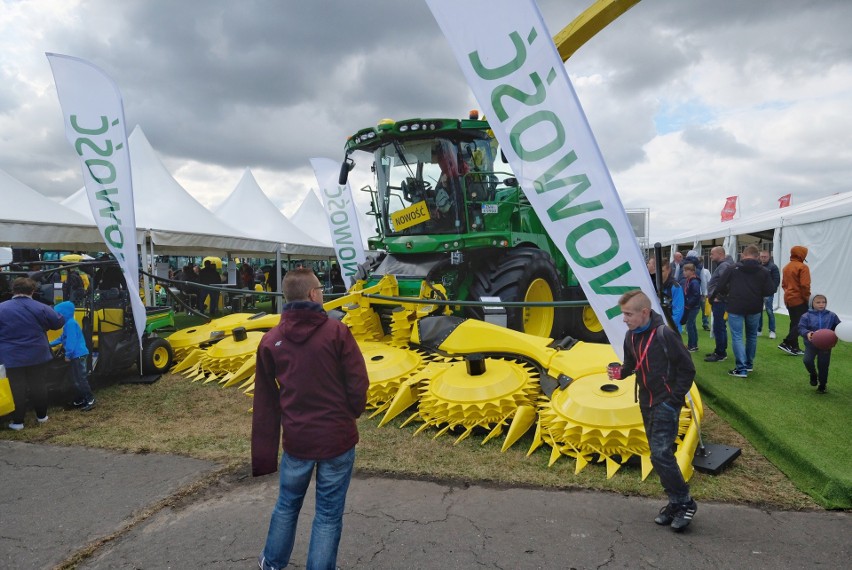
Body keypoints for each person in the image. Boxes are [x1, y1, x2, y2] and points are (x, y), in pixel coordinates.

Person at [252, 268, 369, 569]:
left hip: (297, 440)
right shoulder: (337, 332)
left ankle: (272, 564)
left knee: (287, 506)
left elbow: (266, 401)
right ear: (314, 295)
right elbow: (358, 382)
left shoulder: (270, 340)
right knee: (328, 515)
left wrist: (264, 454)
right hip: (337, 439)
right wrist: (351, 413)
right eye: (320, 288)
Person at [609, 290, 697, 531]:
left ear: (645, 312)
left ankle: (685, 502)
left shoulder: (664, 333)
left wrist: (673, 399)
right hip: (646, 402)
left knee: (660, 454)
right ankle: (675, 503)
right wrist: (620, 372)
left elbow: (688, 369)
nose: (624, 319)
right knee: (658, 455)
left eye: (628, 314)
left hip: (665, 403)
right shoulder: (630, 336)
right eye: (623, 314)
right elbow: (630, 365)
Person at [0, 277, 65, 430]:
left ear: (13, 290)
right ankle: (42, 417)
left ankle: (18, 422)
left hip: (11, 356)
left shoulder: (2, 308)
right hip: (37, 353)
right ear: (33, 291)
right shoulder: (40, 307)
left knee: (17, 387)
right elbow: (58, 322)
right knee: (39, 385)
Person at [711, 245, 776, 378]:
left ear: (743, 255)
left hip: (736, 305)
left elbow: (720, 286)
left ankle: (741, 368)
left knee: (737, 336)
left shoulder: (733, 268)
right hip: (755, 306)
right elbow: (770, 290)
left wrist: (725, 295)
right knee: (751, 335)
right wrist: (757, 293)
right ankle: (748, 364)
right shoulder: (763, 271)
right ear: (757, 256)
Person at [50, 301, 95, 410]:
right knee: (75, 379)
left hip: (78, 355)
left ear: (63, 313)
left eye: (58, 314)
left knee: (80, 379)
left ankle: (90, 399)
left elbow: (71, 341)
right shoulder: (69, 323)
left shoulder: (70, 324)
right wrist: (49, 343)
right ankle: (81, 399)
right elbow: (62, 338)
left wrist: (68, 354)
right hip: (77, 355)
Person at [798, 294, 841, 394]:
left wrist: (836, 334)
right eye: (818, 302)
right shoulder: (806, 316)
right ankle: (813, 374)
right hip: (811, 344)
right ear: (811, 303)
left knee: (823, 365)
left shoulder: (832, 315)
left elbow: (838, 327)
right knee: (807, 360)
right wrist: (807, 333)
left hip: (826, 345)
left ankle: (822, 385)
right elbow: (801, 328)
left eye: (823, 302)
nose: (821, 304)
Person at [704, 246, 735, 362]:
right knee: (720, 326)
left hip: (720, 302)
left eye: (712, 254)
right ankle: (720, 350)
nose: (710, 256)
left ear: (720, 254)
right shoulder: (725, 265)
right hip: (720, 301)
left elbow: (727, 283)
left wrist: (719, 297)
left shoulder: (724, 266)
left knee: (719, 326)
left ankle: (720, 353)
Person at [779, 246, 811, 356]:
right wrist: (808, 299)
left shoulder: (786, 267)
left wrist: (789, 293)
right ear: (802, 254)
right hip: (799, 299)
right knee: (801, 323)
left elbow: (783, 284)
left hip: (788, 299)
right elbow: (805, 285)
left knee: (794, 322)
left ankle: (794, 346)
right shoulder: (803, 267)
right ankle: (786, 342)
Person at [757, 250, 781, 339]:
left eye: (765, 256)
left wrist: (772, 290)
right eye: (762, 256)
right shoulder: (758, 266)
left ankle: (772, 331)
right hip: (758, 293)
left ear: (769, 257)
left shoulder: (773, 267)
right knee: (758, 312)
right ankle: (759, 330)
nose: (763, 258)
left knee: (769, 311)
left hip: (768, 293)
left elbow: (776, 280)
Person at [681, 263, 702, 352]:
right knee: (692, 325)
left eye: (686, 270)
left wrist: (688, 304)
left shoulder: (694, 282)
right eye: (684, 270)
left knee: (690, 325)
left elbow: (696, 295)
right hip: (692, 306)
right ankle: (693, 344)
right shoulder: (690, 280)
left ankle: (692, 345)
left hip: (693, 307)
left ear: (692, 271)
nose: (684, 272)